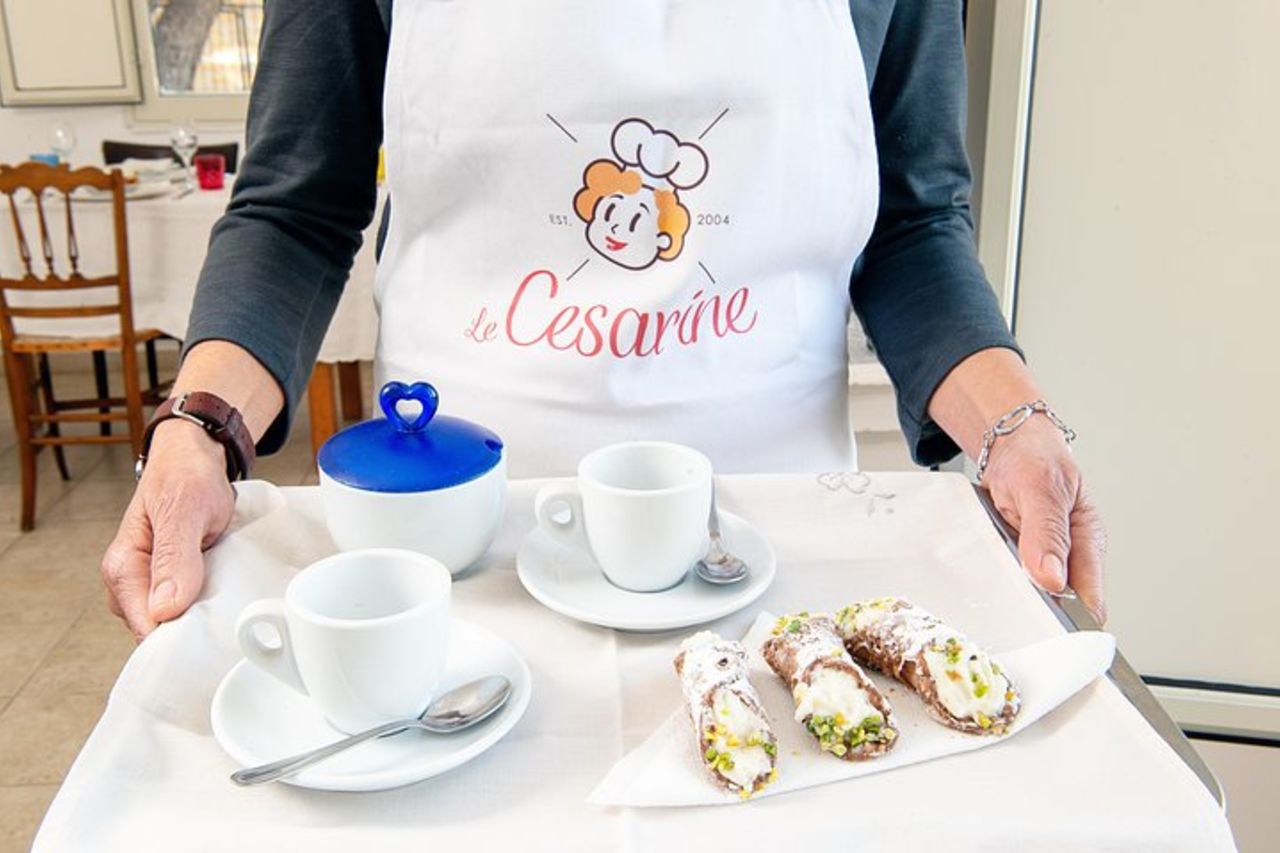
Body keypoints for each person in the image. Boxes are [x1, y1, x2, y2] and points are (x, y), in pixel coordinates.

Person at [100, 0, 1106, 638]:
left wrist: (1014, 425)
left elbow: (912, 224)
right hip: (462, 539)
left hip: (772, 537)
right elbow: (296, 211)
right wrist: (199, 429)